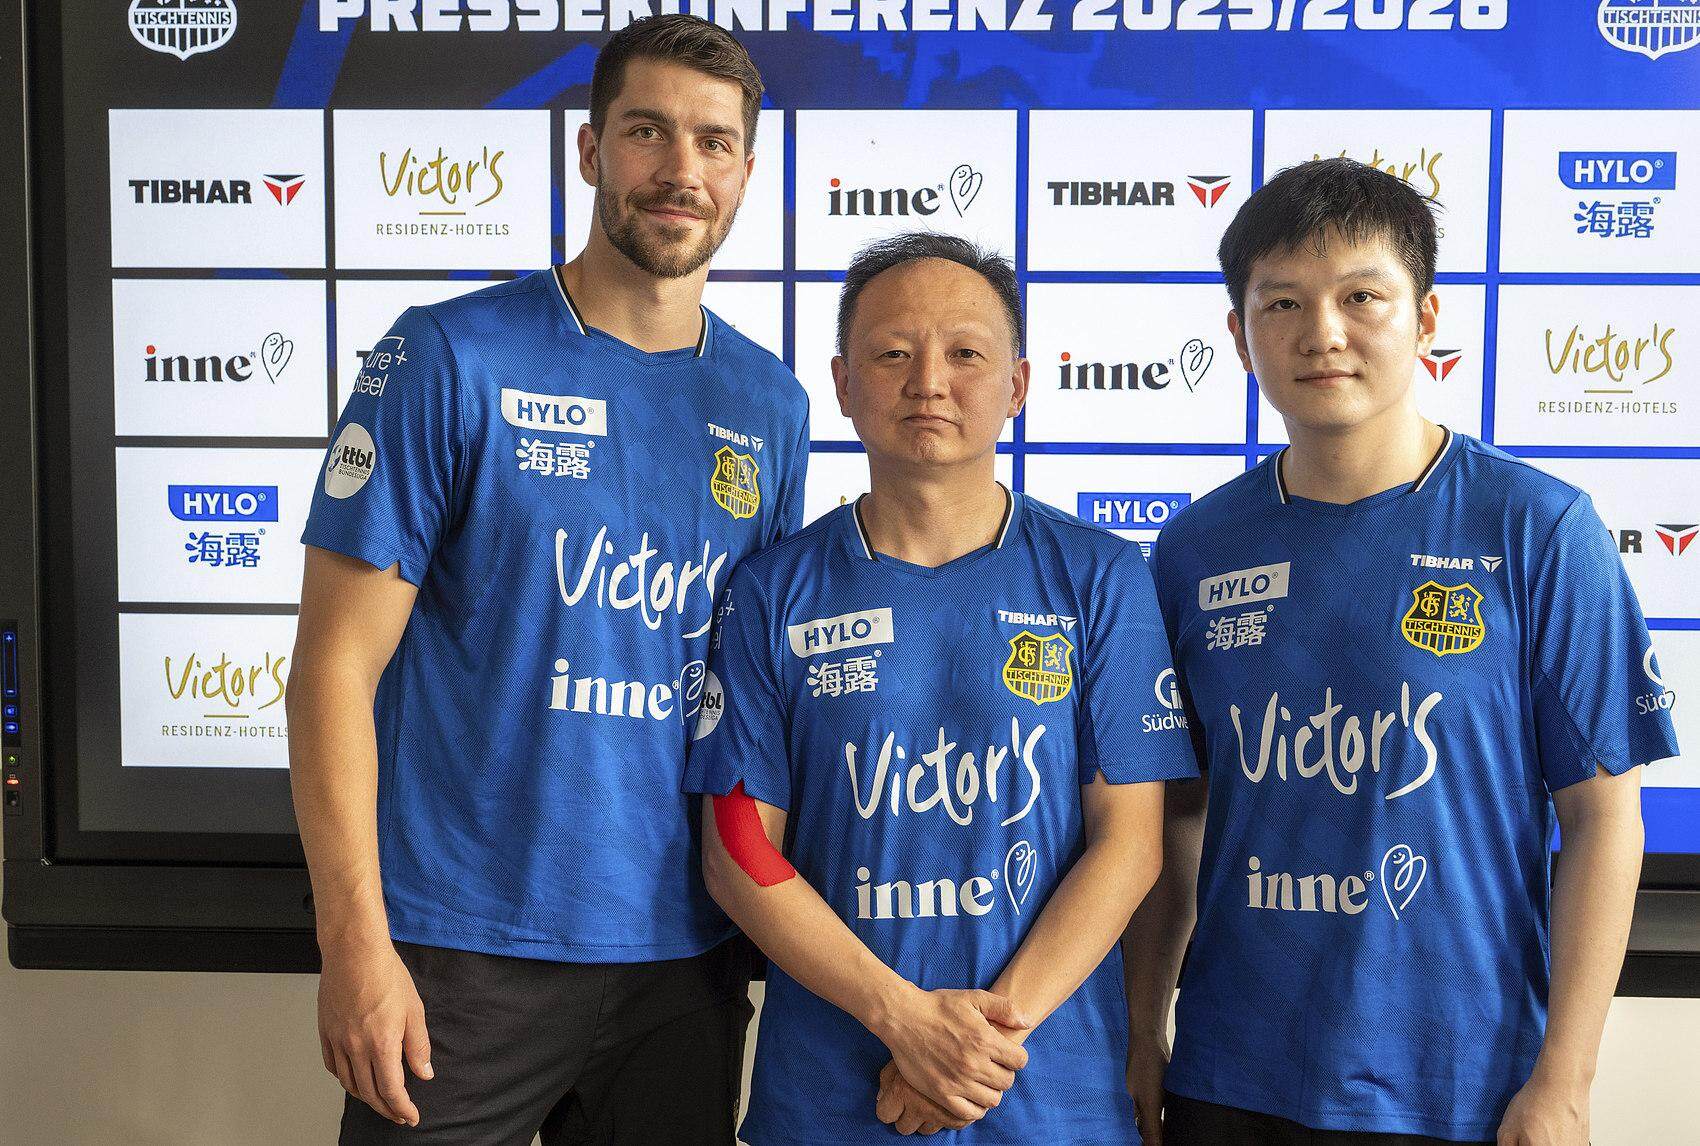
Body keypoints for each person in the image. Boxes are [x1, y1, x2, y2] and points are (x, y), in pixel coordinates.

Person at [287, 15, 808, 1144]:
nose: (680, 169)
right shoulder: (448, 355)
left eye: (714, 143)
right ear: (589, 150)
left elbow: (754, 710)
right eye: (647, 131)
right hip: (460, 958)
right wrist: (352, 942)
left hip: (686, 961)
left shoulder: (771, 405)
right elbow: (331, 667)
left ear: (745, 172)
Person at [1122, 157, 1680, 1146]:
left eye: (1360, 297)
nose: (1322, 333)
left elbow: (1601, 820)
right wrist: (1139, 1032)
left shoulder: (1537, 529)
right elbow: (1175, 816)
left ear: (1424, 320)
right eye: (1282, 302)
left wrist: (1564, 1080)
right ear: (1239, 336)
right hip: (1231, 1074)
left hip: (1460, 1086)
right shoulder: (1195, 548)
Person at [684, 232, 1198, 1144]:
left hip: (1046, 1099)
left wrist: (971, 1052)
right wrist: (903, 1022)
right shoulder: (770, 591)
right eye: (893, 353)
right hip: (833, 1102)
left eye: (965, 353)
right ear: (843, 384)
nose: (929, 381)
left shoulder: (1102, 577)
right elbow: (738, 852)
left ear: (1019, 385)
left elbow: (1129, 846)